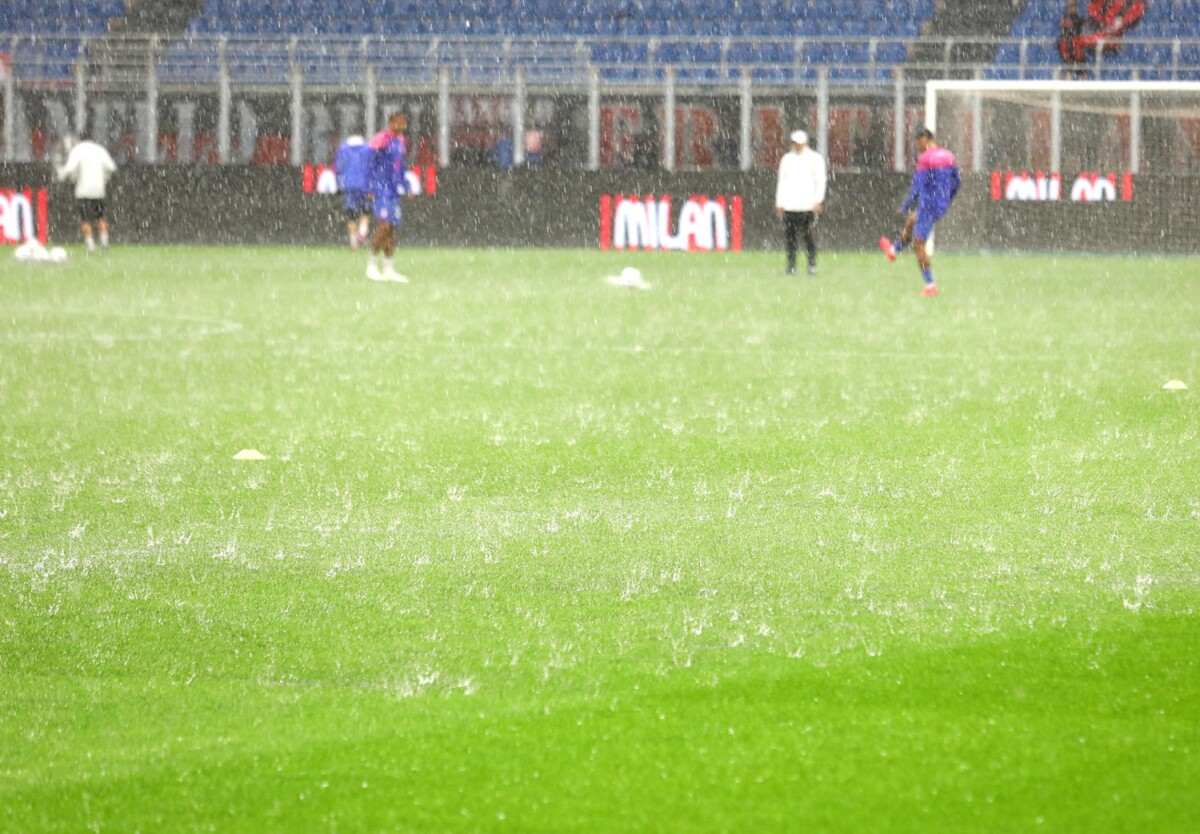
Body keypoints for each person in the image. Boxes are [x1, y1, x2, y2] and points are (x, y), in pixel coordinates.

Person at [879, 127, 960, 297]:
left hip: (928, 205)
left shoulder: (925, 159)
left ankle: (930, 285)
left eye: (919, 143)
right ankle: (893, 251)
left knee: (918, 245)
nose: (918, 147)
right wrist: (947, 199)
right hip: (939, 205)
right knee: (911, 220)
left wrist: (905, 204)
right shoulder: (949, 155)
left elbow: (917, 187)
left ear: (926, 139)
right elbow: (957, 182)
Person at [366, 112, 412, 283]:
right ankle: (371, 265)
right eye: (398, 123)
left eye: (404, 124)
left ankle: (389, 269)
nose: (401, 127)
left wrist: (406, 186)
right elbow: (370, 163)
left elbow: (401, 166)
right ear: (390, 122)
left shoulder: (400, 142)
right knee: (383, 226)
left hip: (393, 191)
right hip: (380, 189)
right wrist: (370, 186)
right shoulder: (381, 139)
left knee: (392, 229)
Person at [774, 129, 827, 276]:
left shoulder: (815, 159)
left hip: (807, 206)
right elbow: (782, 182)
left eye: (799, 144)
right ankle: (791, 266)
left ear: (805, 143)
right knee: (790, 238)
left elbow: (821, 181)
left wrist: (818, 200)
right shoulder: (787, 159)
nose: (797, 146)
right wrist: (780, 202)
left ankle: (812, 265)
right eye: (794, 143)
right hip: (790, 205)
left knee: (807, 236)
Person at [56, 134, 117, 253]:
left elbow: (69, 169)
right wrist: (104, 178)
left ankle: (91, 246)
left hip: (83, 190)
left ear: (80, 139)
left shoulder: (78, 150)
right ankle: (104, 243)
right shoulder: (100, 150)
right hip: (99, 190)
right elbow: (111, 167)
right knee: (101, 217)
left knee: (85, 219)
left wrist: (62, 175)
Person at [333, 133, 372, 249]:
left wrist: (338, 185)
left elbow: (338, 169)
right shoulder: (368, 149)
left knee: (351, 215)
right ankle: (362, 233)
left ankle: (354, 243)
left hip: (348, 185)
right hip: (364, 185)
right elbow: (372, 167)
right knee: (366, 211)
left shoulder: (343, 149)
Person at [1057, 1, 1089, 79]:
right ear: (1068, 8)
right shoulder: (1064, 19)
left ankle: (1085, 89)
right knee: (1070, 70)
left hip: (1076, 49)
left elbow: (1087, 26)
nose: (1074, 9)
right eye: (1072, 7)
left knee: (1081, 70)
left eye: (1075, 7)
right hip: (1070, 49)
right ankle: (1068, 88)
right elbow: (1063, 36)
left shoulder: (1078, 19)